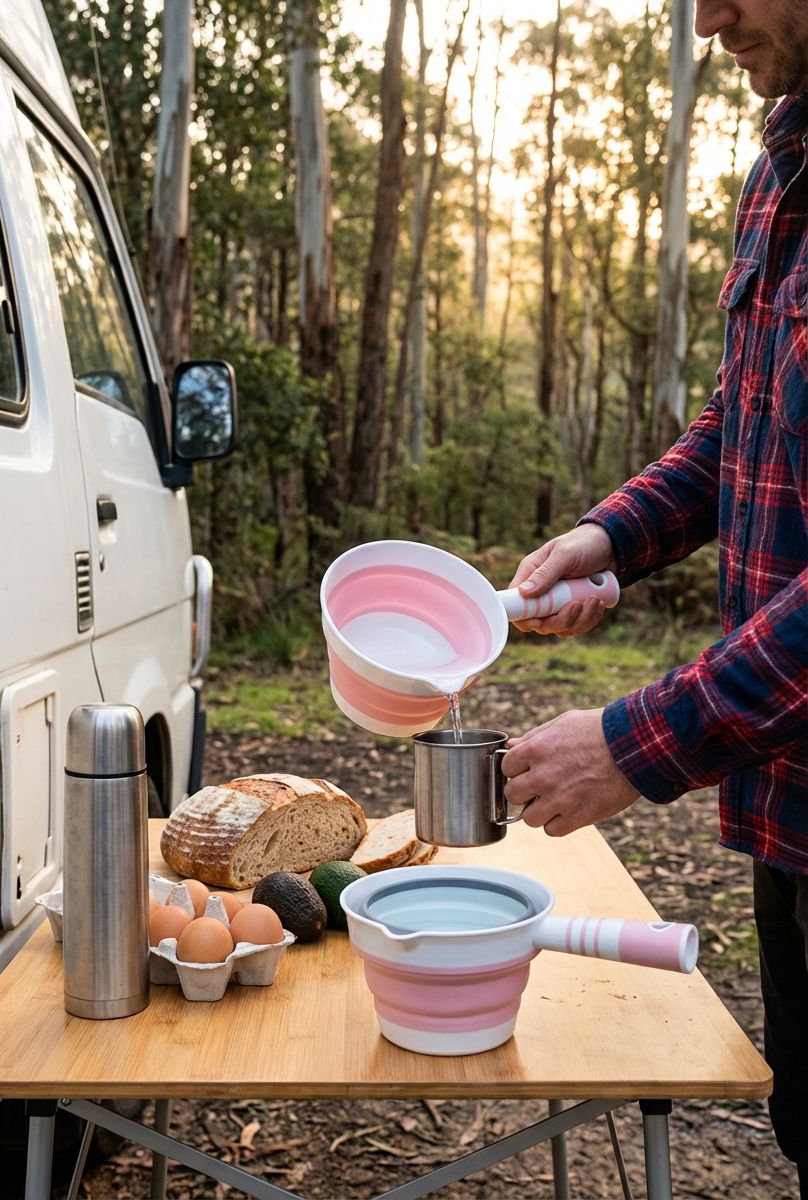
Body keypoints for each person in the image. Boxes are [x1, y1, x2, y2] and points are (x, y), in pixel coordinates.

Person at [500, 0, 807, 1191]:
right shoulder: (779, 164)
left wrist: (639, 745)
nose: (703, 20)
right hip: (789, 797)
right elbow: (744, 416)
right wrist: (607, 536)